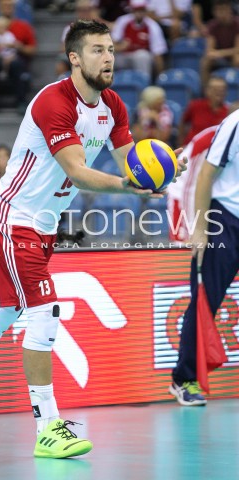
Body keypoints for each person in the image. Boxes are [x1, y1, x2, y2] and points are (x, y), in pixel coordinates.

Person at [0, 20, 187, 458]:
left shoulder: (115, 106)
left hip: (43, 224)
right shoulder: (54, 102)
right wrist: (129, 186)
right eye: (98, 50)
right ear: (74, 58)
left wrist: (160, 166)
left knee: (2, 309)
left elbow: (130, 162)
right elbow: (79, 172)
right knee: (44, 309)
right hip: (14, 217)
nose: (109, 57)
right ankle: (48, 427)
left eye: (110, 50)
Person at [169, 108, 239, 406]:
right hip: (225, 219)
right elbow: (206, 175)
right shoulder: (235, 124)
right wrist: (199, 228)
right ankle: (183, 378)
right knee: (205, 300)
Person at [0, 0, 37, 112]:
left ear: (14, 8)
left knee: (16, 65)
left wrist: (19, 46)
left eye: (10, 6)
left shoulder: (23, 26)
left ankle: (21, 101)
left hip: (16, 59)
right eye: (4, 6)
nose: (7, 8)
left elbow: (32, 50)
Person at [167, 126, 218, 243]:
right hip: (182, 195)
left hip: (210, 197)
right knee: (184, 248)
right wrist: (191, 228)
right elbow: (189, 188)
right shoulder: (207, 143)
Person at [112, 0, 168, 79]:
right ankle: (110, 87)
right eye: (136, 10)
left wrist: (161, 76)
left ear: (145, 11)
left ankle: (143, 83)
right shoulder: (122, 21)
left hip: (144, 58)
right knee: (109, 58)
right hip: (124, 56)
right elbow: (110, 45)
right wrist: (120, 47)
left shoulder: (152, 26)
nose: (139, 13)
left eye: (142, 10)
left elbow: (158, 53)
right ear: (132, 10)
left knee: (142, 56)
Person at [178, 75, 229, 146]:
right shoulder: (195, 106)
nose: (219, 92)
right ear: (207, 91)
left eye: (222, 90)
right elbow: (183, 123)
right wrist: (181, 144)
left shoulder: (229, 111)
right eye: (215, 89)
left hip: (214, 150)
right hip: (192, 148)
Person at [201, 0, 239, 85]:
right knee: (206, 60)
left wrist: (220, 53)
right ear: (214, 12)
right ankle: (206, 90)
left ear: (230, 10)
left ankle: (236, 87)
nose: (222, 13)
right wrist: (216, 54)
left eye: (224, 9)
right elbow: (209, 51)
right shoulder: (212, 26)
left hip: (232, 56)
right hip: (220, 58)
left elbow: (237, 49)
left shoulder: (237, 24)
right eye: (218, 10)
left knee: (237, 59)